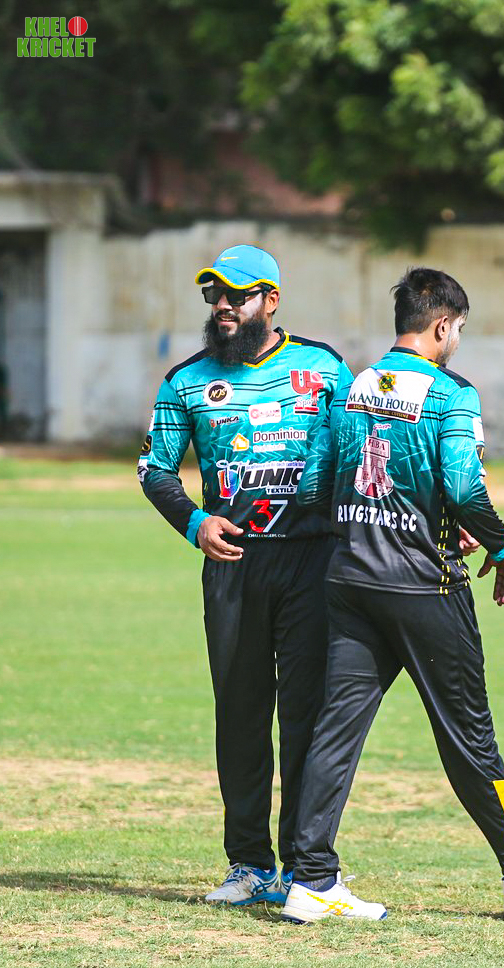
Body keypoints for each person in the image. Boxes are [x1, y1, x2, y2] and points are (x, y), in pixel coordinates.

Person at [280, 267, 504, 923]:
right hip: (426, 587)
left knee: (334, 732)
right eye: (459, 330)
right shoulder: (452, 394)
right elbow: (463, 486)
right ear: (443, 325)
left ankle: (310, 881)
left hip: (350, 581)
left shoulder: (355, 385)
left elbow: (315, 485)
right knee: (468, 737)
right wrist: (502, 545)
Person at [138, 244, 352, 906]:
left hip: (313, 561)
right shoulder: (186, 381)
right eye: (215, 296)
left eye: (238, 294)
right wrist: (194, 522)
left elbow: (360, 456)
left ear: (271, 300)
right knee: (239, 714)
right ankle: (250, 865)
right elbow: (154, 468)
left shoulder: (323, 368)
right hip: (232, 564)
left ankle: (303, 867)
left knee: (307, 717)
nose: (224, 306)